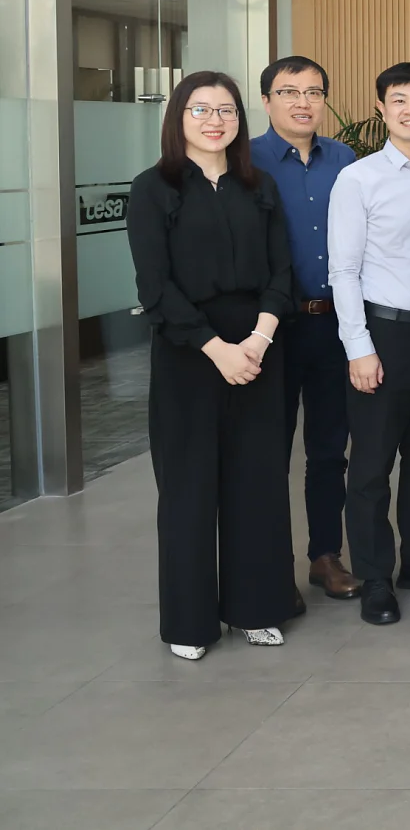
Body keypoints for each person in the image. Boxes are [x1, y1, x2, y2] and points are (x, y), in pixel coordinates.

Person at [128, 72, 297, 660]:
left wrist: (257, 338)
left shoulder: (260, 185)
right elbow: (154, 285)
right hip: (188, 354)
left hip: (259, 348)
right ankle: (189, 623)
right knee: (188, 488)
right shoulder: (154, 188)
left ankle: (256, 609)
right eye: (200, 109)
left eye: (225, 109)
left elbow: (282, 273)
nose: (214, 120)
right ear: (179, 117)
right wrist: (216, 348)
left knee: (257, 482)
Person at [328, 62, 410, 625]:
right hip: (384, 332)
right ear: (381, 109)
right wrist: (359, 347)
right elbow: (344, 271)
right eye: (399, 100)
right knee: (372, 465)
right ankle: (376, 575)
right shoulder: (358, 180)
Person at [253, 55, 361, 609]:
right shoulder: (243, 160)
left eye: (314, 92)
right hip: (267, 332)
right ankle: (268, 564)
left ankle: (325, 556)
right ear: (267, 99)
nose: (303, 102)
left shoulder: (345, 159)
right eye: (289, 92)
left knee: (327, 450)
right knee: (266, 450)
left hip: (332, 327)